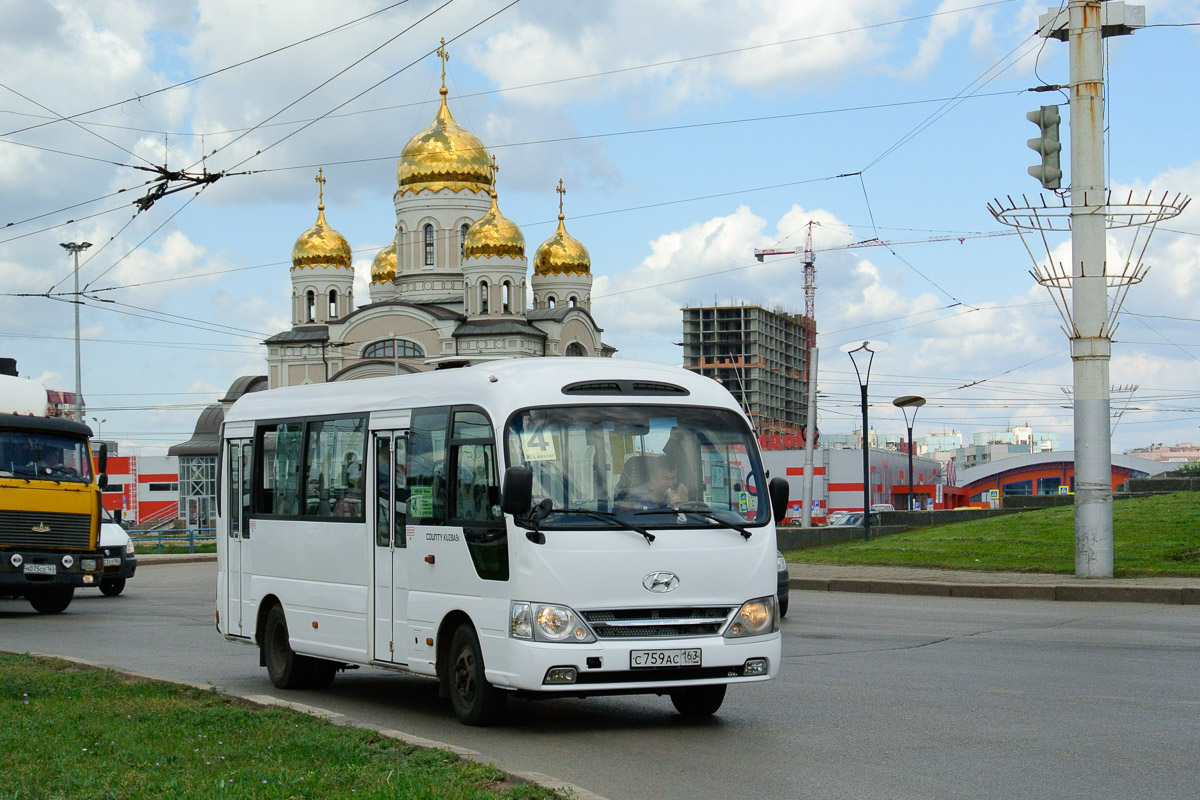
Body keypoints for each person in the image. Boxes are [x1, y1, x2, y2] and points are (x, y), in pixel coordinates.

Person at [618, 457, 689, 510]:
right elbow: (623, 519)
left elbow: (688, 518)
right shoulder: (635, 497)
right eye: (665, 478)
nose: (670, 484)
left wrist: (679, 505)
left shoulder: (680, 490)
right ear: (653, 477)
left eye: (673, 478)